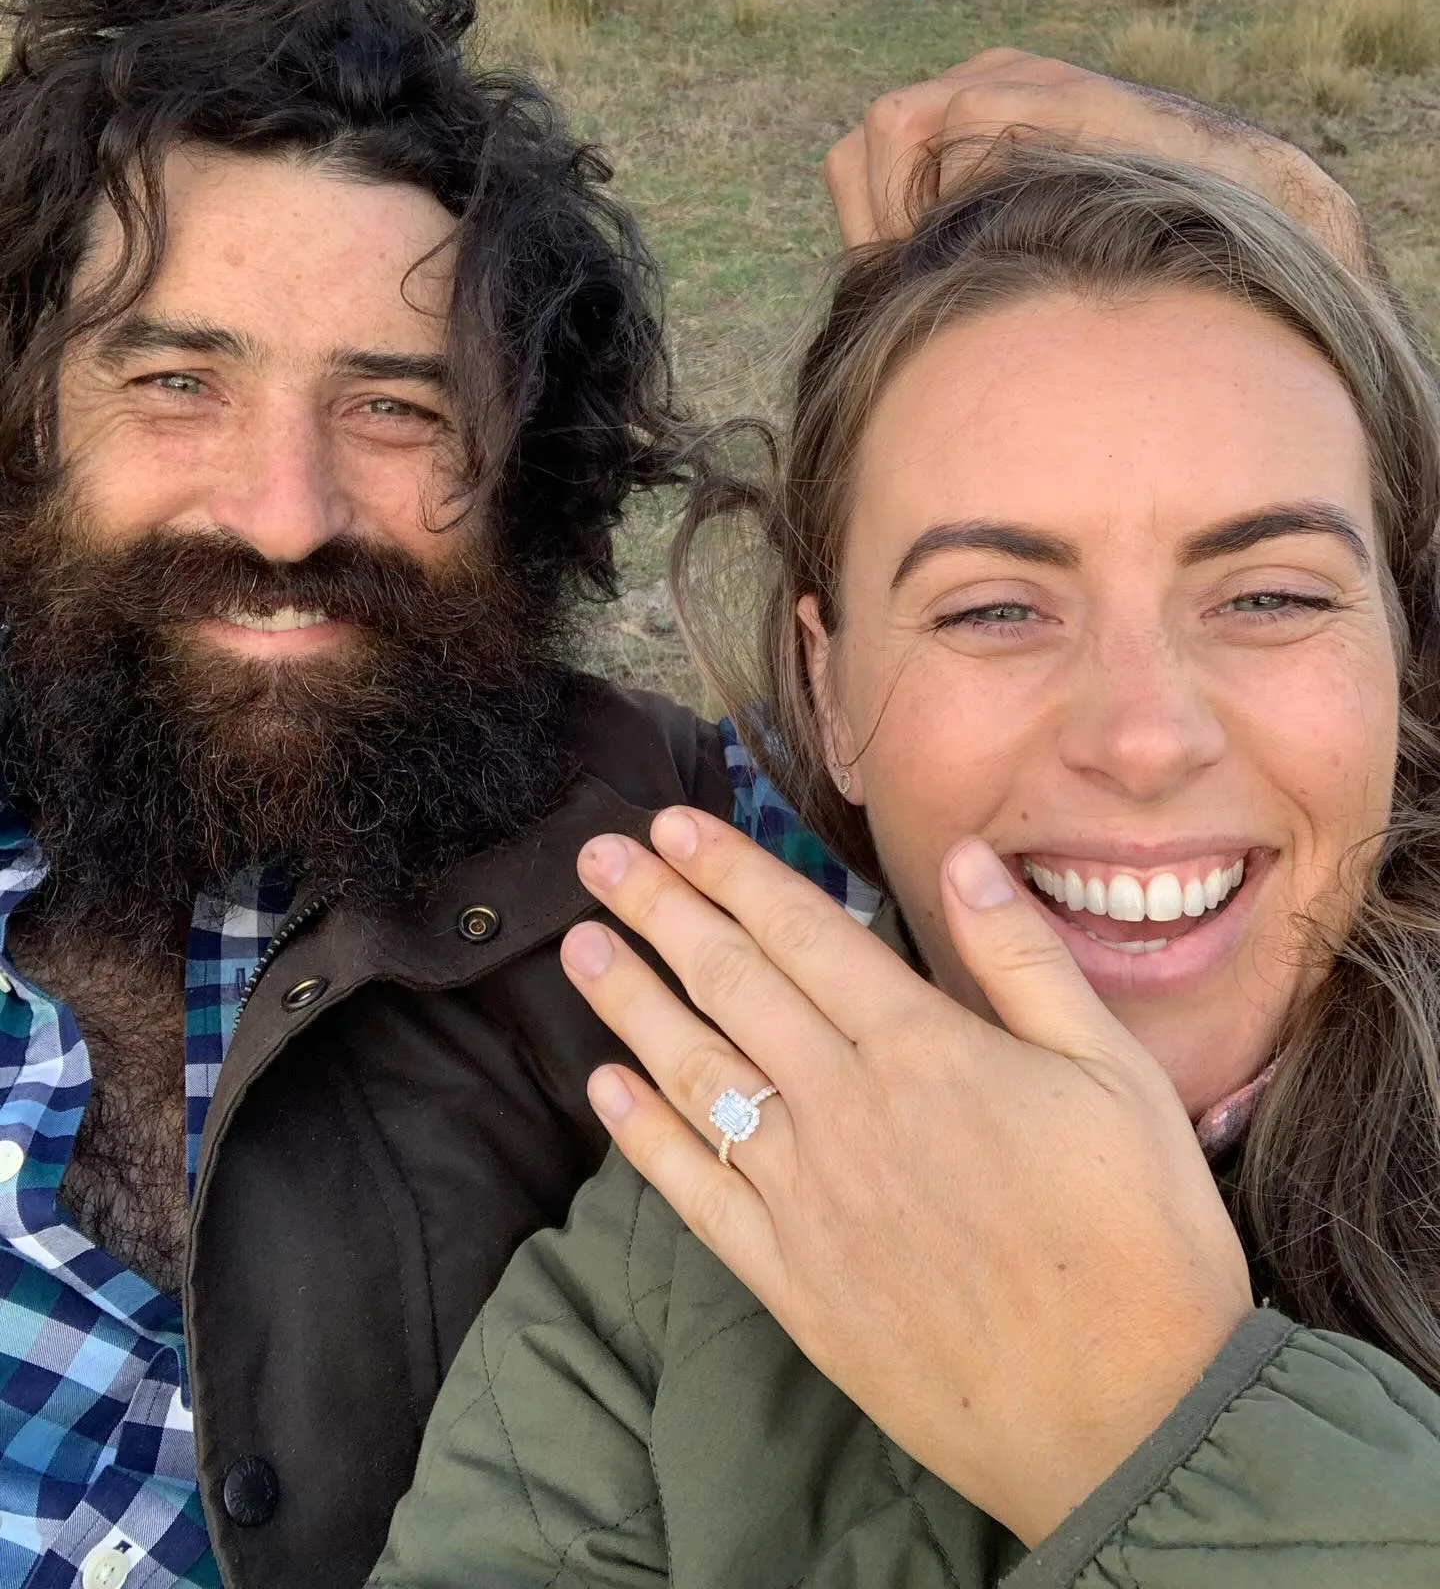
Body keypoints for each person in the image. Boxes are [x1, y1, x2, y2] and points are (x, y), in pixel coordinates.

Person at [0, 0, 1374, 1588]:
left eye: (396, 408)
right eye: (177, 385)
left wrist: (1299, 236)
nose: (286, 514)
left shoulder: (692, 868)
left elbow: (1265, 776)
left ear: (526, 475)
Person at [369, 139, 1440, 1585]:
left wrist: (1150, 1432)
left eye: (1267, 594)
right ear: (829, 698)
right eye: (994, 610)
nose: (1141, 738)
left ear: (1398, 654)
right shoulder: (659, 1282)